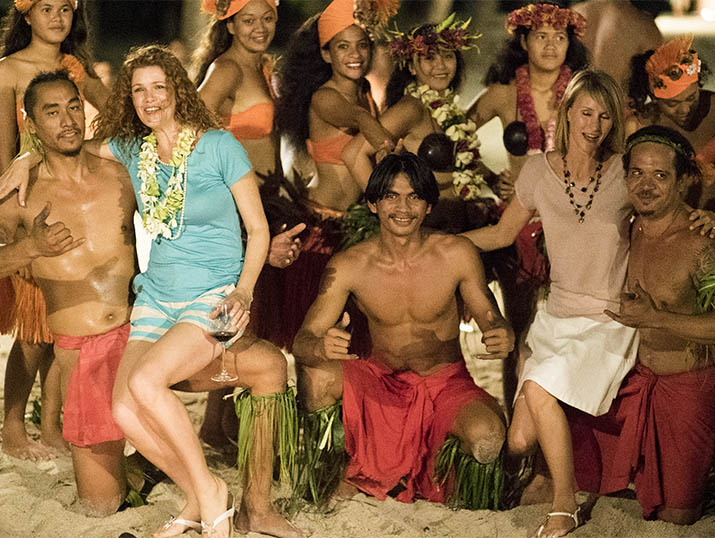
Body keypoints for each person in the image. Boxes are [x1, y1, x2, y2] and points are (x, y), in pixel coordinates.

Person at [0, 60, 303, 537]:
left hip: (182, 308)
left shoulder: (173, 156)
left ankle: (227, 500)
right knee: (112, 458)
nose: (150, 98)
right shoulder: (97, 165)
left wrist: (249, 278)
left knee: (195, 375)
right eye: (139, 90)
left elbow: (228, 223)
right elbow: (71, 147)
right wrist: (25, 175)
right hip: (130, 319)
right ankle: (201, 493)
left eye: (73, 107)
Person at [463, 70, 638, 538]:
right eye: (586, 113)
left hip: (607, 322)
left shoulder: (625, 171)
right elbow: (502, 234)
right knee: (518, 440)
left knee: (538, 390)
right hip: (555, 318)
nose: (595, 126)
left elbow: (665, 214)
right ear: (567, 113)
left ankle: (565, 503)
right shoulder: (538, 170)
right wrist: (443, 244)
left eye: (605, 116)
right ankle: (544, 478)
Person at [292, 152, 513, 507]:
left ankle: (430, 477)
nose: (403, 208)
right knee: (315, 375)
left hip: (446, 385)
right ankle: (337, 468)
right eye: (391, 196)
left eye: (414, 197)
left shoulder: (457, 253)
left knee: (487, 439)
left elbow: (490, 316)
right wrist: (320, 347)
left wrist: (501, 332)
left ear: (429, 206)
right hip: (381, 382)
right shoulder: (349, 265)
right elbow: (302, 342)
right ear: (373, 204)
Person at [571, 125, 715, 525]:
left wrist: (656, 318)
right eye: (637, 173)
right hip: (634, 379)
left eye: (660, 175)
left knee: (677, 516)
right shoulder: (625, 227)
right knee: (558, 408)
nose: (646, 185)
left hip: (688, 387)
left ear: (682, 182)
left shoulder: (702, 241)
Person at [0, 70, 127, 515]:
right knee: (101, 506)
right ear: (30, 122)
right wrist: (31, 248)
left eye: (73, 106)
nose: (68, 119)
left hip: (142, 344)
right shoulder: (21, 196)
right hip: (81, 354)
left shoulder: (121, 174)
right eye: (51, 112)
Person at [192, 0, 306, 450]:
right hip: (238, 207)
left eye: (267, 18)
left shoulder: (260, 66)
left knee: (245, 319)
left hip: (268, 200)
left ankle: (216, 426)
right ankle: (229, 427)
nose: (260, 28)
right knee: (243, 318)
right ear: (230, 23)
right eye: (248, 20)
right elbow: (189, 131)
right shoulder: (226, 69)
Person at [0, 0, 109, 461]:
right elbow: (4, 151)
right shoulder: (8, 70)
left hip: (73, 201)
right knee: (33, 330)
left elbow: (118, 121)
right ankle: (12, 424)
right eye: (46, 8)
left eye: (65, 8)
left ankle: (51, 425)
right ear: (26, 15)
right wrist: (11, 222)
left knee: (63, 318)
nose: (58, 18)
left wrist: (90, 83)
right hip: (29, 204)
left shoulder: (75, 67)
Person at [272, 0, 397, 352]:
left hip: (357, 227)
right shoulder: (323, 98)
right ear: (327, 54)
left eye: (362, 45)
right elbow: (357, 119)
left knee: (352, 340)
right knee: (313, 336)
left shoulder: (366, 92)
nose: (355, 55)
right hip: (320, 230)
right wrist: (389, 153)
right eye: (343, 47)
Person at [343, 15, 500, 235]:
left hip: (457, 219)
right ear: (412, 67)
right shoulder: (411, 108)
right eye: (429, 58)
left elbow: (458, 163)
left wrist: (496, 180)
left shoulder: (447, 108)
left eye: (448, 56)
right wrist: (385, 208)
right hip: (427, 227)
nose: (440, 66)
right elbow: (353, 154)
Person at [627, 35, 715, 211]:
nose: (685, 109)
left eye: (691, 98)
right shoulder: (640, 125)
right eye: (672, 104)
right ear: (654, 99)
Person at [571, 0, 662, 91]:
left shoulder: (573, 15)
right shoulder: (645, 27)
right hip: (617, 98)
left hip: (574, 98)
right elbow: (659, 87)